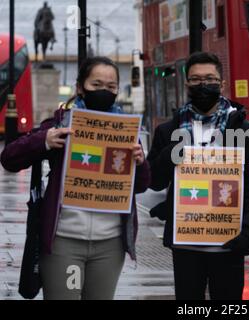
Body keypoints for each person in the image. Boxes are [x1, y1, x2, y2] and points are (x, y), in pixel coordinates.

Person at [0, 56, 150, 300]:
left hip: (109, 244)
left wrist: (141, 162)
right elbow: (9, 158)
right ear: (80, 87)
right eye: (96, 85)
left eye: (111, 87)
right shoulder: (60, 124)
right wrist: (44, 141)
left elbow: (142, 186)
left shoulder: (127, 130)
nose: (104, 91)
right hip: (64, 242)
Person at [147, 52, 249, 300]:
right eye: (195, 79)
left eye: (210, 79)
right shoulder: (167, 130)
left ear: (222, 84)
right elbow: (154, 181)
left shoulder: (247, 131)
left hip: (229, 243)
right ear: (186, 84)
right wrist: (167, 157)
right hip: (185, 245)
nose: (203, 85)